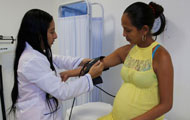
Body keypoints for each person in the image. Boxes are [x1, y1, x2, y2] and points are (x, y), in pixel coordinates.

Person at [9, 9, 104, 120]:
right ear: (39, 34)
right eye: (52, 32)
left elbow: (56, 59)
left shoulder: (36, 52)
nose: (56, 36)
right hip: (36, 115)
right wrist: (89, 76)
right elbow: (62, 91)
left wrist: (81, 61)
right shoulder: (31, 60)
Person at [97, 1, 173, 120]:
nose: (123, 34)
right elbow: (101, 64)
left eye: (128, 30)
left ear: (144, 30)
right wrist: (70, 73)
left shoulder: (161, 56)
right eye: (123, 29)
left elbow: (166, 104)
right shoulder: (129, 50)